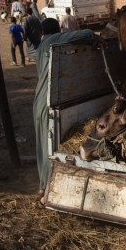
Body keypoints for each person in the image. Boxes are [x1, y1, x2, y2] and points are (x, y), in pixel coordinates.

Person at [33, 18, 95, 204]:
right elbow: (83, 34)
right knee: (47, 148)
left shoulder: (41, 47)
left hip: (40, 101)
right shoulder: (50, 42)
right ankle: (46, 193)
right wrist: (92, 36)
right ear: (58, 31)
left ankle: (42, 186)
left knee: (42, 146)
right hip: (46, 102)